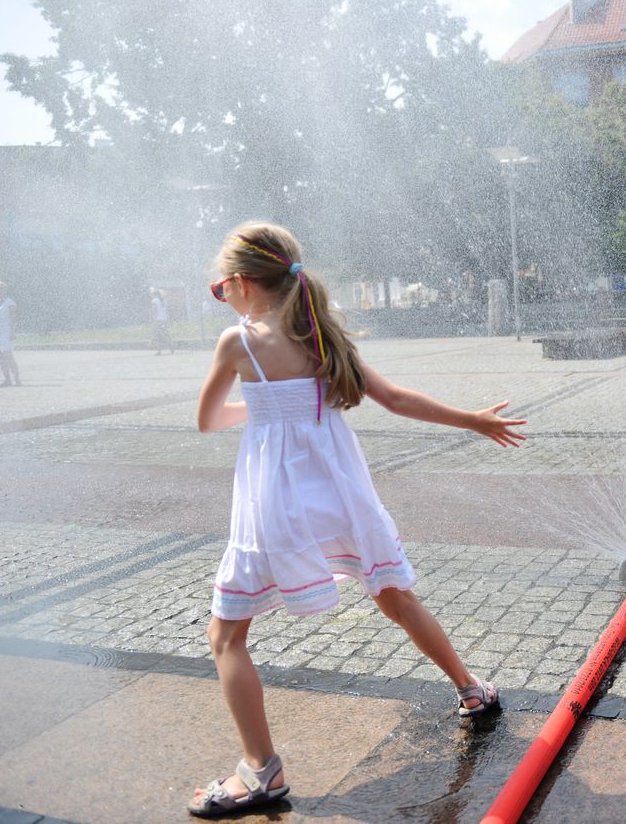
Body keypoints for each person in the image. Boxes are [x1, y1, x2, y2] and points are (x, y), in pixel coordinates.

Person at [189, 222, 527, 817]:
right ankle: (472, 691)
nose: (223, 297)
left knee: (227, 635)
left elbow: (207, 422)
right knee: (393, 594)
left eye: (221, 289)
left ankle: (261, 771)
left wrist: (265, 405)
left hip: (278, 506)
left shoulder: (237, 344)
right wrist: (473, 420)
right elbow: (396, 399)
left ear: (241, 284)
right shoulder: (321, 335)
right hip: (342, 495)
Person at [0, 281, 21, 387]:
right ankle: (7, 380)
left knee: (8, 355)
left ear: (5, 290)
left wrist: (12, 332)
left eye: (1, 288)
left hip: (5, 330)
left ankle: (17, 379)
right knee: (0, 356)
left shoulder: (9, 302)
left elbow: (14, 318)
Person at [150, 288, 174, 354]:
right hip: (164, 320)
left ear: (155, 295)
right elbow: (167, 311)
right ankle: (171, 346)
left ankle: (159, 350)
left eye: (152, 295)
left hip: (158, 320)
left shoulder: (154, 300)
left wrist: (153, 319)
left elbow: (154, 310)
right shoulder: (164, 301)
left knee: (157, 335)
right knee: (166, 334)